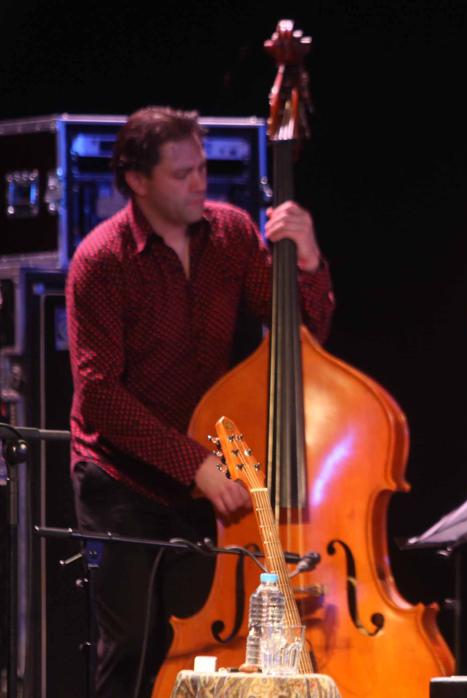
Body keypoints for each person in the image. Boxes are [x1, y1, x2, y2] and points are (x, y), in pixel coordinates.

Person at [66, 106, 333, 698]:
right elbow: (102, 395)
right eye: (181, 173)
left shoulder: (232, 233)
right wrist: (196, 464)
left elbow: (301, 343)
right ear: (137, 181)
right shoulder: (101, 261)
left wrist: (308, 261)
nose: (199, 183)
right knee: (134, 644)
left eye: (202, 168)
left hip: (202, 476)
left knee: (201, 645)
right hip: (121, 479)